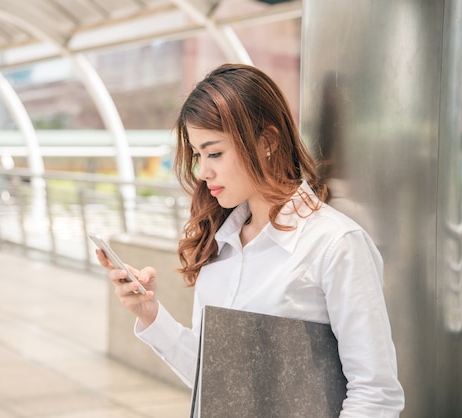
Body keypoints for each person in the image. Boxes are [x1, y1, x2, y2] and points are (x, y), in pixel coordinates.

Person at [96, 63, 405, 416]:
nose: (202, 171)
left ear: (267, 142)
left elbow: (375, 394)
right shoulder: (221, 245)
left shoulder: (335, 244)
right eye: (198, 155)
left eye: (214, 153)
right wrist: (150, 314)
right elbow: (217, 384)